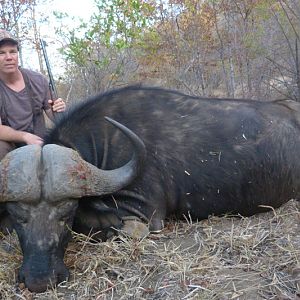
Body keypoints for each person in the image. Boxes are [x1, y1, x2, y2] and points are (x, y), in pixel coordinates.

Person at [0, 29, 66, 160]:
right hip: (11, 146)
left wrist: (60, 109)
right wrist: (25, 137)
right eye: (1, 53)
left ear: (18, 54)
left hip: (40, 143)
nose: (9, 57)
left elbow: (54, 115)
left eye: (13, 51)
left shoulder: (38, 80)